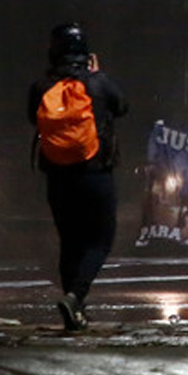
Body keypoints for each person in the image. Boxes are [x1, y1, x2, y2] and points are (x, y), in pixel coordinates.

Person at [28, 23, 128, 331]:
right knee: (100, 239)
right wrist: (96, 75)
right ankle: (75, 298)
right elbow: (122, 107)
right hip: (95, 174)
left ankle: (75, 310)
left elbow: (33, 117)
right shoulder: (99, 83)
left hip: (58, 178)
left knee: (69, 242)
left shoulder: (42, 87)